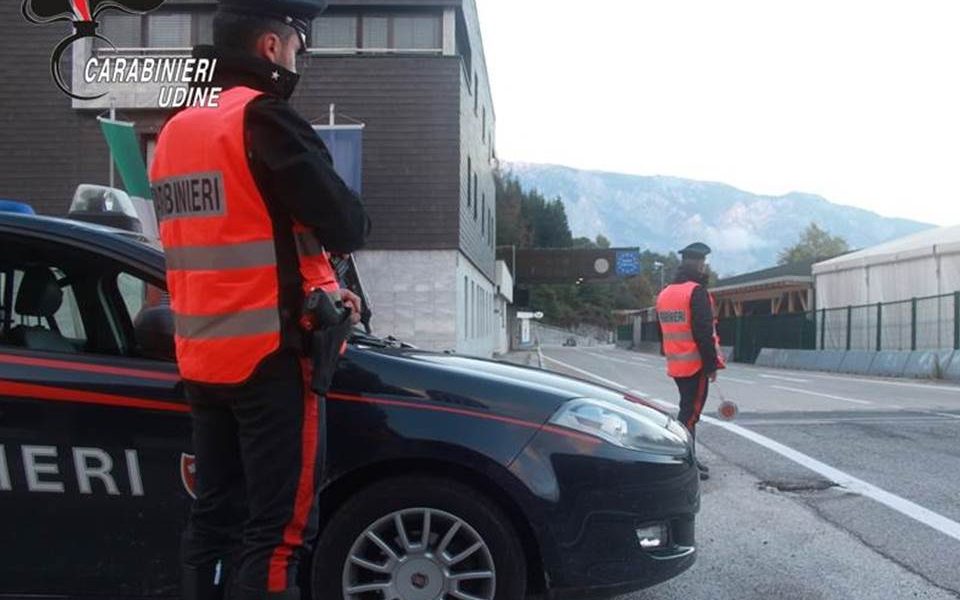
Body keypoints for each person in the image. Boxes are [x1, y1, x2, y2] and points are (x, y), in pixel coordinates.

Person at [149, 1, 370, 599]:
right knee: (277, 535)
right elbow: (345, 224)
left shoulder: (174, 131)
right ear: (271, 48)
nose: (299, 57)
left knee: (212, 517)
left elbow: (233, 235)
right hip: (271, 361)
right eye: (298, 44)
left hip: (202, 360)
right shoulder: (264, 119)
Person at [655, 243, 724, 481]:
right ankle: (684, 462)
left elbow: (661, 331)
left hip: (676, 364)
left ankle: (689, 459)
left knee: (687, 411)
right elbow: (704, 331)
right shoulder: (696, 292)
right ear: (700, 264)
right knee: (690, 416)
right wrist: (711, 364)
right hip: (695, 365)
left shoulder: (665, 293)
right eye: (704, 263)